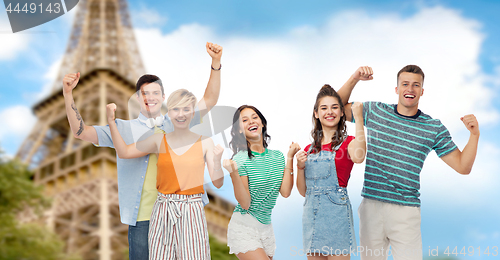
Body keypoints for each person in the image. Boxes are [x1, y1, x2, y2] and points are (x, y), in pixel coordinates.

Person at [62, 42, 223, 260]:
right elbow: (81, 132)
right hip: (143, 216)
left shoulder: (177, 121)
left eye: (155, 93)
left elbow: (210, 100)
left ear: (164, 97)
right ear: (137, 98)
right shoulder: (122, 128)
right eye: (144, 93)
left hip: (184, 211)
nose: (150, 97)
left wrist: (215, 64)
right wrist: (68, 94)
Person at [338, 65, 480, 260]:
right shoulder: (375, 111)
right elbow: (333, 108)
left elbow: (463, 167)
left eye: (416, 85)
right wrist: (354, 78)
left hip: (406, 212)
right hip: (372, 207)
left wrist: (474, 134)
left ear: (422, 91)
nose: (410, 89)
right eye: (405, 84)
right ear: (397, 89)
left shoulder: (433, 128)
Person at [106, 89, 224, 260]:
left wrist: (218, 162)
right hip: (162, 209)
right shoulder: (158, 140)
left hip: (192, 210)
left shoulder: (205, 141)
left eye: (186, 109)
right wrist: (111, 122)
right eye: (176, 109)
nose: (181, 114)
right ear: (168, 112)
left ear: (193, 112)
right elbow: (124, 152)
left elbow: (218, 182)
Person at [295, 85, 366, 260]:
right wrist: (299, 167)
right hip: (311, 216)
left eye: (335, 107)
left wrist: (358, 117)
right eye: (324, 108)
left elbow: (359, 157)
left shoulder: (348, 142)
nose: (330, 112)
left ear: (342, 112)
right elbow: (304, 191)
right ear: (316, 113)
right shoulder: (308, 150)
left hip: (336, 216)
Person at [223, 105, 299, 260]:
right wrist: (233, 173)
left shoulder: (278, 157)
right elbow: (245, 203)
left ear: (262, 123)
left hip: (266, 228)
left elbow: (285, 192)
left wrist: (290, 158)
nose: (251, 121)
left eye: (254, 117)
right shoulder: (240, 160)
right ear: (239, 130)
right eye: (244, 120)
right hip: (244, 227)